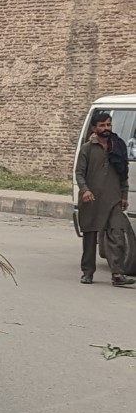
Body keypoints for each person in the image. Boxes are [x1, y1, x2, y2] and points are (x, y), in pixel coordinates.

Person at [75, 110, 133, 286]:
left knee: (117, 235)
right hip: (91, 200)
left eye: (108, 125)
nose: (106, 128)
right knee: (90, 238)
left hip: (113, 199)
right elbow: (79, 173)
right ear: (94, 128)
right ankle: (87, 272)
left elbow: (124, 173)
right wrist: (85, 190)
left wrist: (124, 194)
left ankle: (117, 274)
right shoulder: (87, 148)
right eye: (102, 125)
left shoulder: (118, 146)